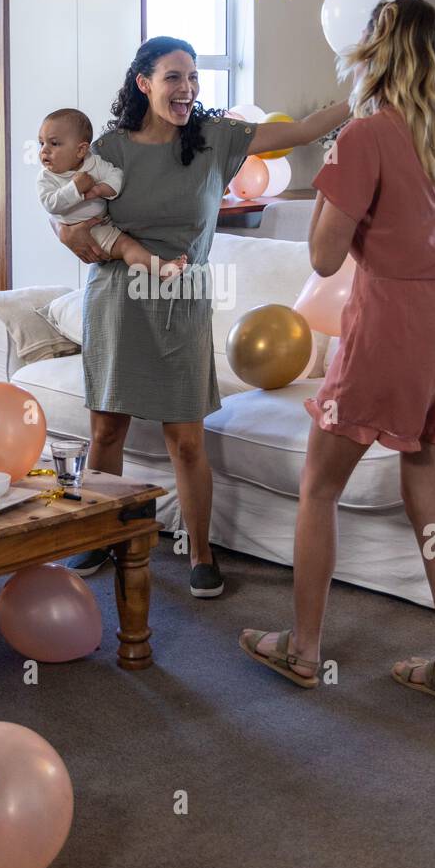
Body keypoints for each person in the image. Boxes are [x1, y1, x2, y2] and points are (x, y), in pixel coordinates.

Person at [240, 0, 435, 708]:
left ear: (375, 54)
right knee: (429, 502)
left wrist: (331, 166)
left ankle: (302, 651)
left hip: (385, 329)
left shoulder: (366, 136)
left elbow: (322, 258)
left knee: (318, 486)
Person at [51, 35, 350, 598]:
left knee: (186, 438)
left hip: (182, 298)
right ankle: (99, 532)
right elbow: (65, 209)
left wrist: (365, 91)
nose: (186, 89)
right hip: (117, 298)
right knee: (106, 428)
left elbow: (304, 131)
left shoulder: (216, 138)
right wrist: (73, 234)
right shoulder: (110, 149)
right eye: (173, 77)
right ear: (143, 83)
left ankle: (200, 553)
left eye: (192, 78)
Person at [37, 107, 186, 278]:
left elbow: (116, 176)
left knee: (129, 246)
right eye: (41, 143)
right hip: (89, 232)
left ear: (80, 150)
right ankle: (162, 269)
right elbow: (51, 205)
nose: (44, 150)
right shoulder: (46, 178)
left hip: (103, 223)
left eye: (54, 143)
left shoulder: (94, 163)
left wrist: (100, 189)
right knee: (126, 247)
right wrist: (75, 187)